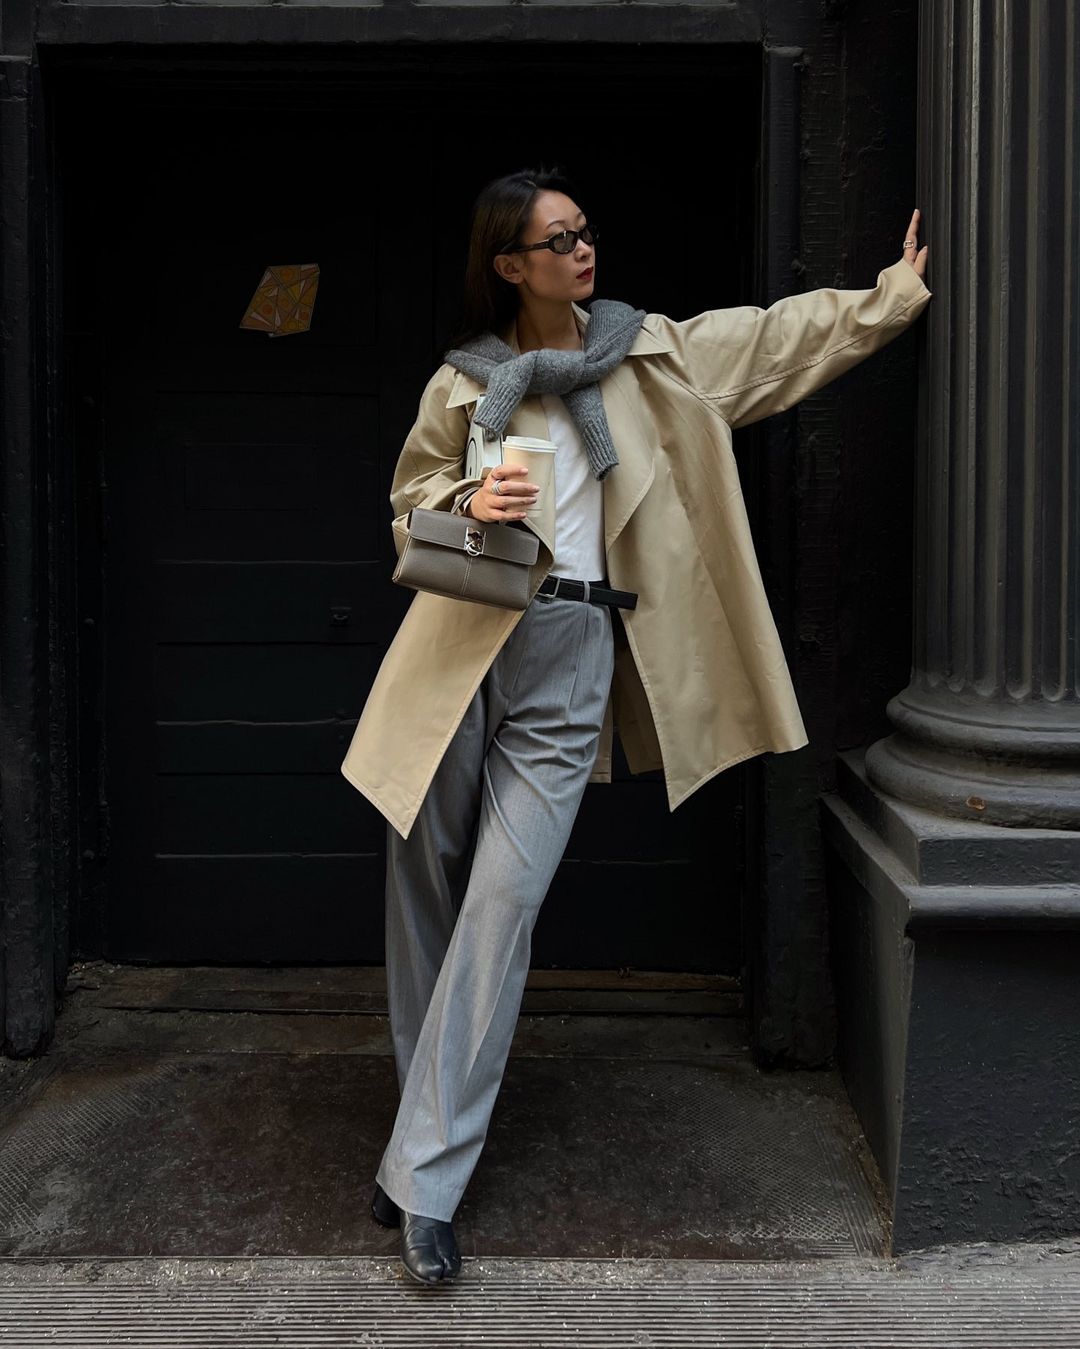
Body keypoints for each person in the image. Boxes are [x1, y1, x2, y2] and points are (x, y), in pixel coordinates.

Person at [340, 167, 931, 1285]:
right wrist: (469, 501)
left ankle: (425, 1179)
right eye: (557, 240)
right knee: (423, 891)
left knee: (503, 908)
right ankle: (422, 1138)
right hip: (458, 643)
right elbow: (407, 510)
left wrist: (893, 294)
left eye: (585, 232)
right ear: (509, 265)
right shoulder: (463, 383)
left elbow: (777, 341)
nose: (582, 251)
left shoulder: (649, 355)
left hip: (574, 653)